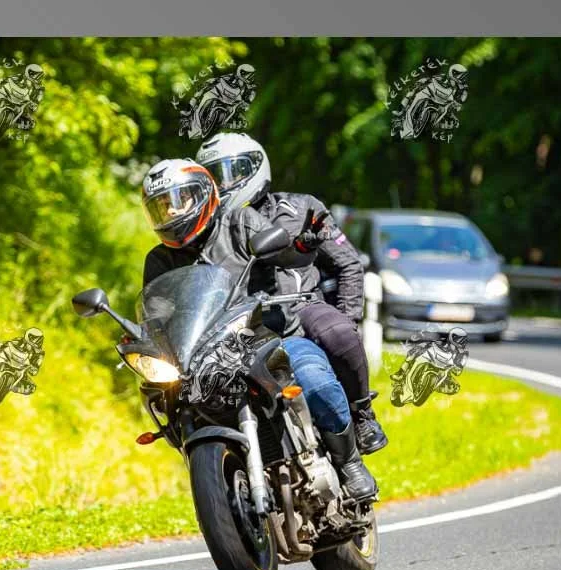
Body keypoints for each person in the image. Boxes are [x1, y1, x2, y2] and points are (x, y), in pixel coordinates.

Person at [140, 158, 376, 501]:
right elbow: (157, 316)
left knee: (317, 383)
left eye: (179, 200)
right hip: (210, 360)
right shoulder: (159, 260)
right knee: (173, 402)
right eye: (162, 207)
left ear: (203, 194)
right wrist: (144, 339)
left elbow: (286, 256)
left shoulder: (240, 222)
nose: (172, 213)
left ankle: (349, 462)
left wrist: (299, 247)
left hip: (275, 337)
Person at [195, 132, 388, 455]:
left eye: (232, 172)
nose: (224, 184)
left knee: (338, 332)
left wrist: (348, 316)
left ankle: (362, 414)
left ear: (256, 167)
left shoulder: (302, 207)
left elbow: (348, 264)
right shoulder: (209, 229)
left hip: (301, 305)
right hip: (240, 323)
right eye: (215, 177)